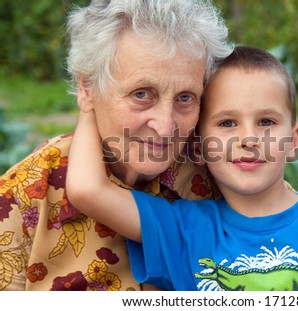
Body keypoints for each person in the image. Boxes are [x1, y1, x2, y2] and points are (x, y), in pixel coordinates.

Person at [66, 46, 298, 291]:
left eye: (266, 121)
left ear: (293, 139)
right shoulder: (185, 229)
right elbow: (87, 189)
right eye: (226, 124)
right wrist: (90, 100)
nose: (249, 138)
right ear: (199, 145)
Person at [0, 0, 231, 291]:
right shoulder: (23, 199)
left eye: (185, 97)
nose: (165, 125)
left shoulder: (224, 177)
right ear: (87, 88)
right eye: (142, 94)